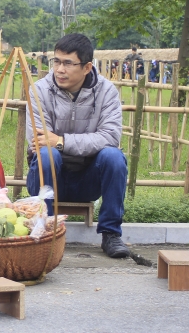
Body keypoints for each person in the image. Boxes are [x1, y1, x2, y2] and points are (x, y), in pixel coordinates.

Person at [25, 33, 130, 258]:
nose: (59, 69)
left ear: (86, 67)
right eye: (57, 61)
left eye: (67, 63)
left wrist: (62, 141)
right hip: (49, 178)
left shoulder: (107, 92)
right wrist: (55, 145)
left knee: (114, 157)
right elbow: (39, 141)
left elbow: (110, 136)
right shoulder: (39, 91)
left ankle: (111, 234)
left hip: (88, 179)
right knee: (47, 154)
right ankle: (43, 231)